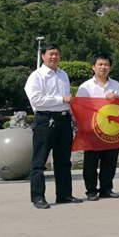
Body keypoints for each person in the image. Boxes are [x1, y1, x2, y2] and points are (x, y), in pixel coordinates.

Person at [24, 44, 82, 209]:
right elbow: (36, 100)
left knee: (63, 160)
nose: (54, 57)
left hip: (63, 120)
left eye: (57, 54)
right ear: (43, 56)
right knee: (39, 161)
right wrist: (60, 99)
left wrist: (73, 117)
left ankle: (64, 194)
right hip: (45, 120)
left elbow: (68, 99)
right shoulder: (37, 76)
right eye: (51, 54)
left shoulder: (63, 74)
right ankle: (38, 197)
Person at [76, 53, 119, 200]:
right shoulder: (86, 86)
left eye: (106, 65)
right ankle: (91, 191)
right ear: (93, 67)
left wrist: (117, 97)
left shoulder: (115, 85)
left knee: (110, 160)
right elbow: (79, 106)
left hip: (112, 129)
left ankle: (106, 189)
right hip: (93, 129)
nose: (103, 67)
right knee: (91, 162)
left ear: (110, 68)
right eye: (100, 64)